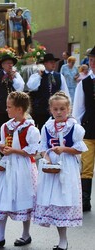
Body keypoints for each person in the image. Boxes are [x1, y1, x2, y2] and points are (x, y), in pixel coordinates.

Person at [0, 91, 40, 247]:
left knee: (24, 198)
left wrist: (14, 151)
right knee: (2, 197)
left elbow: (33, 151)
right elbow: (3, 143)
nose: (6, 109)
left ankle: (25, 234)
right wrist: (2, 147)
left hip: (23, 167)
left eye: (9, 107)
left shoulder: (30, 128)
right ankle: (0, 236)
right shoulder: (5, 126)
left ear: (19, 110)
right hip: (7, 166)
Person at [34, 92, 87, 250]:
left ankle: (63, 240)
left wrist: (64, 149)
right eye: (55, 109)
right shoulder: (47, 126)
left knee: (63, 200)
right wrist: (47, 157)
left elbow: (79, 149)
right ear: (50, 109)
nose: (58, 112)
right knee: (54, 201)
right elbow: (43, 146)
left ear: (68, 109)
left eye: (62, 109)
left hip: (67, 167)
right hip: (51, 168)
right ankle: (61, 238)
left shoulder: (75, 128)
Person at [72, 46, 95, 212]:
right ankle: (85, 199)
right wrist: (77, 129)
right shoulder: (84, 83)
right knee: (86, 166)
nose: (93, 63)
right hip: (89, 128)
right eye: (91, 60)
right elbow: (78, 109)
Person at [0, 53, 25, 143]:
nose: (10, 65)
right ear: (2, 65)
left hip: (12, 107)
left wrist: (13, 78)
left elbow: (20, 87)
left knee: (11, 127)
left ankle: (10, 145)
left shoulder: (16, 75)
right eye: (7, 63)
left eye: (11, 63)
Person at [27, 53, 70, 131]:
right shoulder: (37, 76)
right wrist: (39, 76)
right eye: (51, 62)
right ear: (45, 64)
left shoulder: (59, 76)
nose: (53, 64)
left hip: (56, 110)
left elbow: (65, 92)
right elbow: (31, 87)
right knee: (42, 130)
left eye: (54, 62)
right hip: (41, 110)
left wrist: (67, 107)